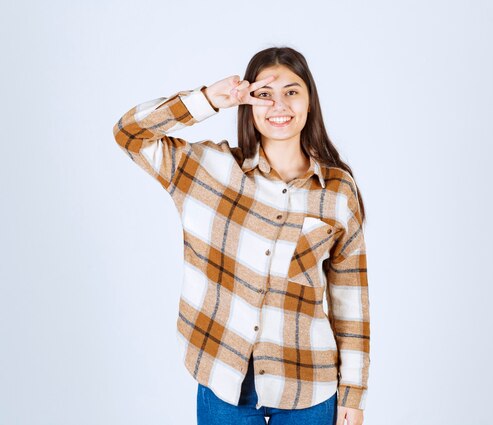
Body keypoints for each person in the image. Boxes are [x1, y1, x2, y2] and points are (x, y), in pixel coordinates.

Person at [112, 46, 370, 425]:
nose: (278, 104)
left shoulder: (337, 190)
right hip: (223, 380)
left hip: (309, 386)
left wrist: (354, 395)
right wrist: (210, 100)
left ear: (310, 101)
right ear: (248, 103)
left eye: (291, 91)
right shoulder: (209, 169)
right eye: (264, 94)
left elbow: (351, 301)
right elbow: (129, 133)